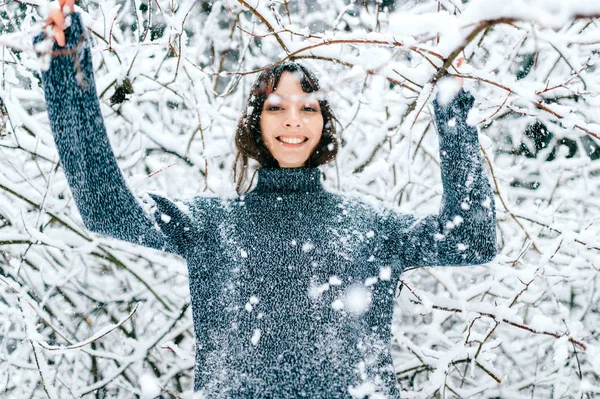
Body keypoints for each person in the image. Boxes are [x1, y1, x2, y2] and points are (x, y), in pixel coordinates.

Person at [37, 2, 496, 398]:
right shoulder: (211, 224)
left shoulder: (372, 227)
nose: (292, 121)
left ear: (324, 123)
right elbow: (105, 208)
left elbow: (472, 240)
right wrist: (66, 67)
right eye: (276, 107)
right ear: (255, 122)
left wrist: (453, 105)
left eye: (307, 107)